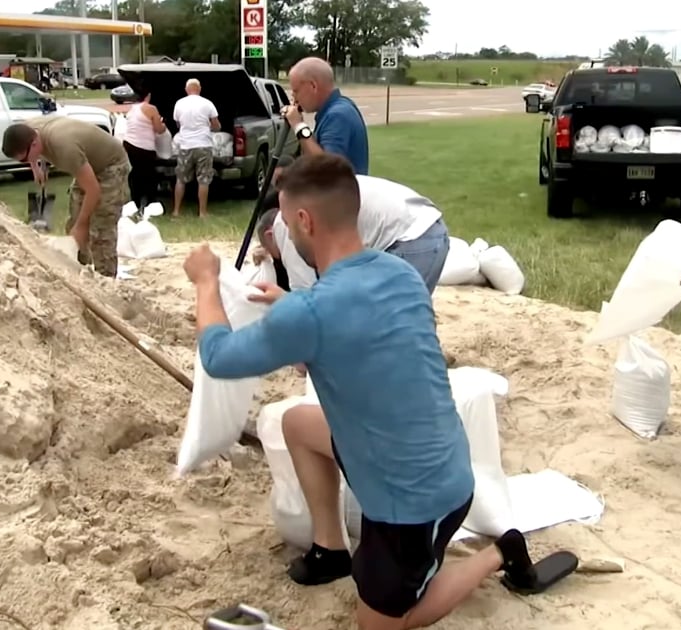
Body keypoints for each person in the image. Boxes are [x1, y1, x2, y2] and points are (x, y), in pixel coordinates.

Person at [182, 153, 576, 630]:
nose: (285, 233)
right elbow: (357, 333)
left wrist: (206, 281)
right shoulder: (401, 274)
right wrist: (292, 308)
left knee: (381, 624)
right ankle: (331, 548)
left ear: (304, 221)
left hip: (418, 500)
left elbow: (219, 357)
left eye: (286, 223)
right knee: (297, 425)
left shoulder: (311, 313)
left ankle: (497, 552)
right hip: (406, 452)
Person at [254, 171, 450, 294]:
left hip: (413, 237)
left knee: (385, 317)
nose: (289, 238)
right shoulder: (305, 202)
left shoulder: (284, 224)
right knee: (402, 312)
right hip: (426, 224)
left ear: (272, 234)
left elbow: (304, 291)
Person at [2, 118, 130, 276]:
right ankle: (80, 268)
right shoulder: (28, 129)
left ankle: (106, 278)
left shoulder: (65, 148)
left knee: (100, 226)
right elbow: (29, 144)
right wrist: (35, 166)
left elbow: (93, 190)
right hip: (87, 162)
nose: (25, 162)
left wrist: (83, 225)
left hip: (111, 165)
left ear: (34, 144)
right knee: (74, 223)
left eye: (24, 159)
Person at [283, 57, 369, 175]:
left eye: (296, 91)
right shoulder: (338, 107)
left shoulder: (337, 115)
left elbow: (327, 170)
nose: (294, 98)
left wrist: (298, 125)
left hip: (340, 193)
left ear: (313, 86)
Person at [172, 78, 221, 218]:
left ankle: (176, 211)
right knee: (203, 179)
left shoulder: (179, 104)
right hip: (203, 145)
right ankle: (202, 213)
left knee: (181, 179)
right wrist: (211, 127)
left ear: (186, 89)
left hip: (185, 145)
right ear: (199, 89)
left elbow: (177, 124)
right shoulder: (208, 103)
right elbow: (216, 125)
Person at [115, 88, 166, 209]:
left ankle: (135, 200)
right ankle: (149, 201)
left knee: (136, 172)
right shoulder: (151, 109)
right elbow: (158, 129)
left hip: (128, 143)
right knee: (149, 174)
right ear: (148, 95)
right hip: (143, 146)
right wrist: (163, 125)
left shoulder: (133, 108)